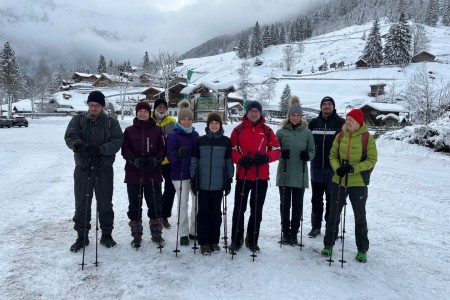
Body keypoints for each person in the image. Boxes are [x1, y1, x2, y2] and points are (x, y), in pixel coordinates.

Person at [64, 91, 123, 252]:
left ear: (102, 106)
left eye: (96, 105)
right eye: (91, 105)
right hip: (83, 168)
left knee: (105, 203)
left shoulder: (111, 122)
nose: (93, 108)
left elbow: (117, 141)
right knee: (82, 203)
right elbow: (70, 136)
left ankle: (106, 234)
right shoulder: (79, 120)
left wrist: (100, 149)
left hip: (103, 168)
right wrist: (78, 145)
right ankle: (82, 236)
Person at [321, 108, 377, 263]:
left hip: (358, 182)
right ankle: (328, 244)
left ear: (358, 123)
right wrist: (337, 168)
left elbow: (372, 160)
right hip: (338, 180)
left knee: (360, 216)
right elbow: (332, 155)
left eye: (350, 121)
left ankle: (362, 249)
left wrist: (354, 168)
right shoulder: (340, 136)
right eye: (346, 120)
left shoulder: (367, 138)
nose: (347, 122)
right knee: (333, 214)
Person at [229, 100, 280, 253]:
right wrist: (239, 159)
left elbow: (277, 149)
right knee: (239, 209)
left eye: (256, 110)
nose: (254, 113)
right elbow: (231, 149)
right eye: (251, 110)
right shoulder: (238, 130)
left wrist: (266, 158)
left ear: (260, 112)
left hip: (261, 177)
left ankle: (252, 240)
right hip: (243, 175)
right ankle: (236, 240)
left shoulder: (267, 130)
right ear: (246, 112)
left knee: (256, 210)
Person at [121, 101, 166, 248]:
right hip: (134, 173)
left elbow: (162, 148)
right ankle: (136, 233)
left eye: (145, 111)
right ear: (136, 113)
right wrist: (134, 160)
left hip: (153, 172)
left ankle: (156, 232)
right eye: (140, 111)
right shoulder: (129, 131)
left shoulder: (157, 130)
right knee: (135, 204)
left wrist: (156, 158)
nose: (142, 114)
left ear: (149, 113)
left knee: (154, 202)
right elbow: (125, 150)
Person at [190, 112, 234, 255]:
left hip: (218, 185)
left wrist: (229, 179)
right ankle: (203, 242)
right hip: (202, 185)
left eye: (217, 123)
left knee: (216, 214)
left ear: (220, 125)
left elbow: (229, 162)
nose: (214, 125)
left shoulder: (226, 142)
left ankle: (214, 241)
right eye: (212, 123)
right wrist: (193, 178)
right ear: (208, 125)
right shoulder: (200, 141)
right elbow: (194, 161)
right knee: (203, 214)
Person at [275, 96, 315, 245]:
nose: (295, 117)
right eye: (293, 115)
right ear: (289, 116)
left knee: (297, 206)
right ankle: (285, 232)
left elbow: (312, 150)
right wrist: (281, 154)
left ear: (301, 116)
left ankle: (294, 233)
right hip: (284, 173)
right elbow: (273, 150)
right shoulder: (281, 132)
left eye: (298, 115)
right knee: (285, 205)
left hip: (300, 175)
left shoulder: (307, 133)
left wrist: (308, 156)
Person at [307, 96, 345, 238]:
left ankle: (331, 228)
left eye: (329, 104)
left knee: (332, 199)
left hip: (333, 169)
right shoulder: (313, 123)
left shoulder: (341, 123)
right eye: (324, 104)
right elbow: (306, 141)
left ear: (334, 107)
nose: (327, 106)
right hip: (316, 167)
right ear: (321, 106)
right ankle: (315, 227)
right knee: (316, 199)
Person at [167, 100, 199, 246]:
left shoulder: (195, 134)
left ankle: (194, 230)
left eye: (189, 119)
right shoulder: (173, 135)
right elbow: (170, 157)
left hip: (194, 174)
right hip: (179, 174)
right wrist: (178, 154)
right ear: (179, 120)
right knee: (183, 204)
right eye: (183, 119)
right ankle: (184, 233)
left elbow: (198, 154)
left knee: (196, 203)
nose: (186, 122)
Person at [151, 98, 177, 229]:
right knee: (154, 188)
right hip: (153, 160)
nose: (161, 109)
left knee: (170, 188)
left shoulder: (172, 122)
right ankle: (155, 215)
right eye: (159, 107)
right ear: (154, 108)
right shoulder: (148, 121)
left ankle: (165, 215)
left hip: (168, 160)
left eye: (163, 107)